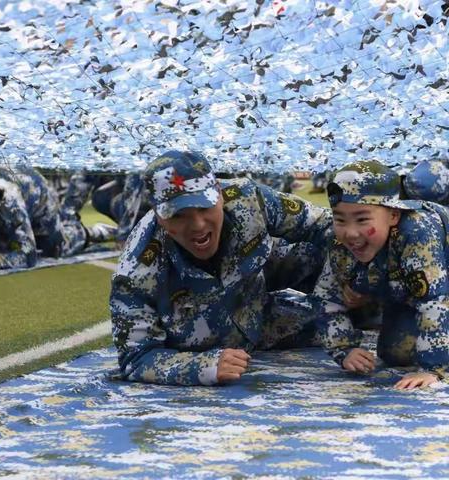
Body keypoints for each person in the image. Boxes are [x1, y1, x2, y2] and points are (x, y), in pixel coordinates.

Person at [110, 150, 333, 386]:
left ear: (218, 192)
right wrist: (201, 366)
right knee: (332, 321)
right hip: (226, 335)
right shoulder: (136, 271)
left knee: (356, 296)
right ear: (158, 213)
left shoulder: (248, 199)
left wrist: (351, 276)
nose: (197, 225)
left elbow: (324, 224)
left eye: (204, 207)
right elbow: (136, 358)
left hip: (252, 300)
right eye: (179, 215)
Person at [311, 160, 449, 390]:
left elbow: (434, 302)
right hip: (409, 296)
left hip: (439, 290)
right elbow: (324, 298)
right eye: (340, 219)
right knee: (396, 352)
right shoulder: (338, 241)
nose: (351, 233)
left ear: (394, 216)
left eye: (362, 219)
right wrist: (344, 349)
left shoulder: (417, 231)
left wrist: (434, 370)